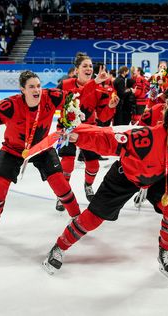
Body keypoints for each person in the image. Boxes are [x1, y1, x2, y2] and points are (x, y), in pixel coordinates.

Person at [42, 99, 168, 280]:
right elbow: (108, 140)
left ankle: (165, 253)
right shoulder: (145, 138)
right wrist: (79, 137)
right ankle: (59, 247)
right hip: (125, 177)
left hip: (159, 179)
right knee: (92, 219)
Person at [0, 70, 82, 240]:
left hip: (41, 147)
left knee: (60, 182)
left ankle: (77, 216)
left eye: (39, 86)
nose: (37, 90)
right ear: (22, 89)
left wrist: (66, 123)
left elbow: (73, 101)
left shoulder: (52, 96)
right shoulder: (9, 105)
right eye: (31, 87)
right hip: (13, 150)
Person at [57, 52, 119, 206]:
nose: (89, 68)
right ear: (76, 70)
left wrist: (110, 107)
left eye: (91, 66)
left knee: (93, 165)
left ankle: (88, 185)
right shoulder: (65, 85)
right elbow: (75, 100)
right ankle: (63, 194)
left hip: (89, 129)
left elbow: (103, 118)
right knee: (67, 163)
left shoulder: (100, 89)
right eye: (84, 66)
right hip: (68, 127)